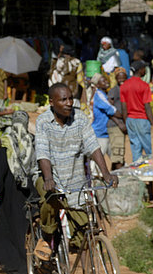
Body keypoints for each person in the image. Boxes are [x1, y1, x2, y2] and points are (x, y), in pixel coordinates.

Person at [34, 83, 119, 259]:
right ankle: (46, 240)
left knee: (85, 226)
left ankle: (76, 251)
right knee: (48, 202)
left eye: (70, 98)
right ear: (51, 102)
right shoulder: (43, 121)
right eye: (63, 99)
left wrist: (106, 173)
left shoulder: (80, 118)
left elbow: (92, 146)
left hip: (75, 179)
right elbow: (42, 152)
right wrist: (49, 177)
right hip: (50, 176)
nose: (69, 103)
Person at [0, 111, 36, 274]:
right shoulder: (33, 142)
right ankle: (32, 260)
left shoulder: (6, 144)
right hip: (31, 192)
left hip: (11, 193)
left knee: (9, 227)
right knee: (26, 227)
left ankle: (14, 262)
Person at [120, 60, 153, 161]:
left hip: (130, 120)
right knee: (151, 150)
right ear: (140, 70)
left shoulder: (124, 86)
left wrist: (126, 122)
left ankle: (138, 172)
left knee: (136, 150)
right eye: (144, 68)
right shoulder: (144, 86)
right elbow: (147, 107)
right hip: (142, 120)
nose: (145, 70)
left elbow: (124, 107)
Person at [91, 73, 123, 160]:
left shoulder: (104, 94)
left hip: (106, 132)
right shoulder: (99, 95)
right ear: (97, 85)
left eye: (106, 79)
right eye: (103, 81)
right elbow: (110, 109)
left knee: (117, 158)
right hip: (100, 132)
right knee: (98, 160)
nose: (106, 82)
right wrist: (122, 116)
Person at [106, 68, 128, 170]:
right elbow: (109, 110)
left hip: (122, 124)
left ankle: (113, 177)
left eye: (123, 78)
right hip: (115, 125)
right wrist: (119, 123)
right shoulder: (113, 91)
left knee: (118, 153)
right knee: (118, 154)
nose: (121, 80)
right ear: (116, 78)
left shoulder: (127, 89)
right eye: (119, 78)